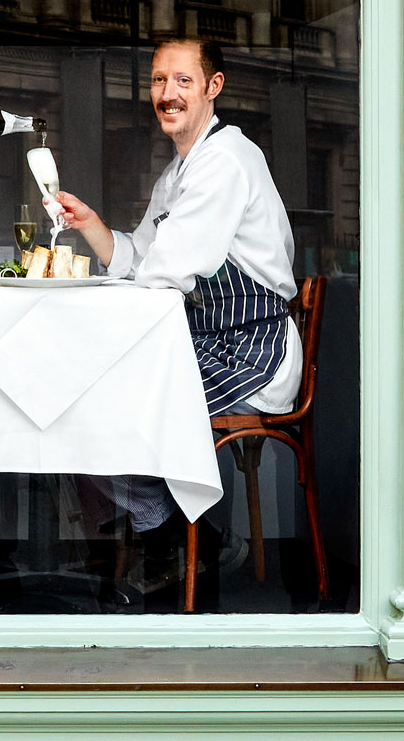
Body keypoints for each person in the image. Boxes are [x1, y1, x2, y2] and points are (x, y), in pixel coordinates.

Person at [54, 37, 302, 538]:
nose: (168, 93)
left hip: (249, 356)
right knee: (80, 403)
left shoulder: (226, 159)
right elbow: (143, 258)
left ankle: (174, 539)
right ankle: (156, 540)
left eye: (183, 80)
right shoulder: (178, 172)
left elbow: (168, 274)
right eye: (159, 80)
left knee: (94, 413)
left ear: (214, 87)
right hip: (203, 346)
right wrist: (92, 225)